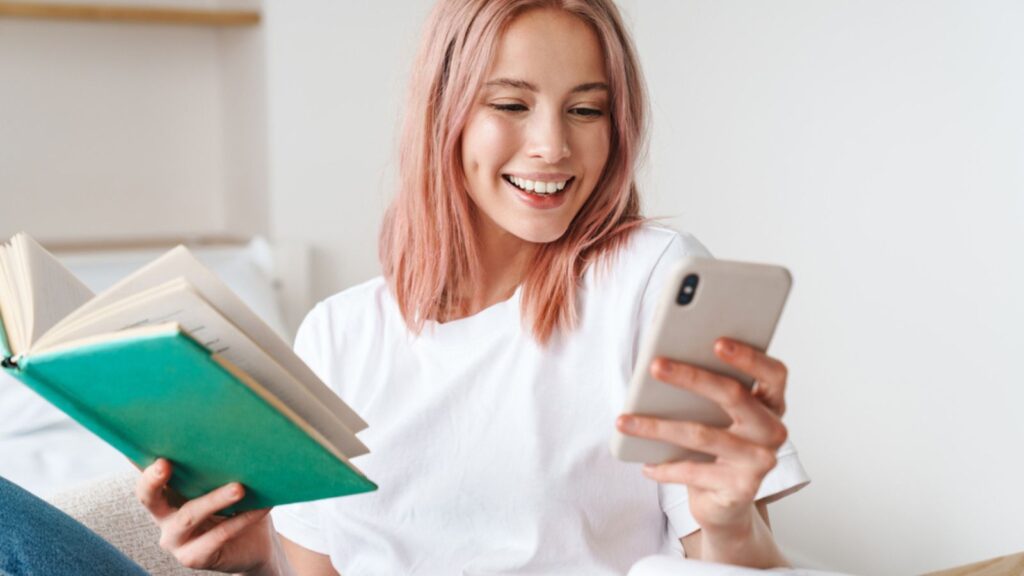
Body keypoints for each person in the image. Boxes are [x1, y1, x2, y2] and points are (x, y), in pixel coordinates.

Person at [4, 1, 812, 574]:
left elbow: (719, 562)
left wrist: (729, 519)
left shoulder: (647, 278)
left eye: (587, 110)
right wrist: (254, 561)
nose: (552, 147)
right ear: (444, 113)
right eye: (511, 104)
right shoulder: (339, 332)